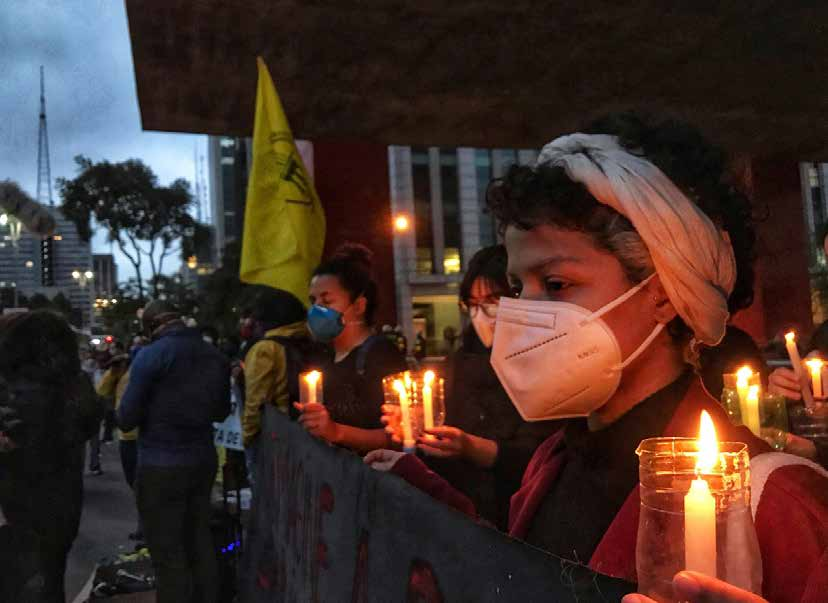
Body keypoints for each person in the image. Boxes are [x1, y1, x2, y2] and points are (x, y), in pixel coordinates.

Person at [367, 115, 828, 603]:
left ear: (664, 294)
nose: (523, 313)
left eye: (558, 284)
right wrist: (421, 498)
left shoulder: (774, 500)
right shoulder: (554, 460)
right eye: (520, 287)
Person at [384, 245, 560, 529]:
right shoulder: (457, 364)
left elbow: (544, 457)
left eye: (492, 300)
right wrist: (413, 428)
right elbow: (437, 443)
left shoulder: (547, 363)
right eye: (473, 303)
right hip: (462, 514)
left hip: (519, 517)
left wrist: (471, 447)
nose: (482, 314)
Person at [118, 300, 231, 603]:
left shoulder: (149, 356)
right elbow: (221, 412)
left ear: (151, 326)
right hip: (202, 460)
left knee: (168, 551)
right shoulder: (215, 357)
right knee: (199, 541)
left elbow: (126, 417)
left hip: (160, 464)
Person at [0, 310, 102, 602]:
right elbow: (91, 420)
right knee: (51, 576)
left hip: (18, 502)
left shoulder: (12, 391)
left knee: (22, 582)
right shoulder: (75, 384)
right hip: (64, 500)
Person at [296, 243, 407, 453]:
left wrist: (336, 431)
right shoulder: (322, 356)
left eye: (326, 301)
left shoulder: (382, 356)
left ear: (358, 306)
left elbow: (397, 436)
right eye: (313, 301)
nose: (316, 309)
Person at [242, 286, 313, 487]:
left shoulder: (265, 349)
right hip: (312, 434)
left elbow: (256, 402)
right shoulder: (311, 341)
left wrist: (248, 440)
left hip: (277, 439)